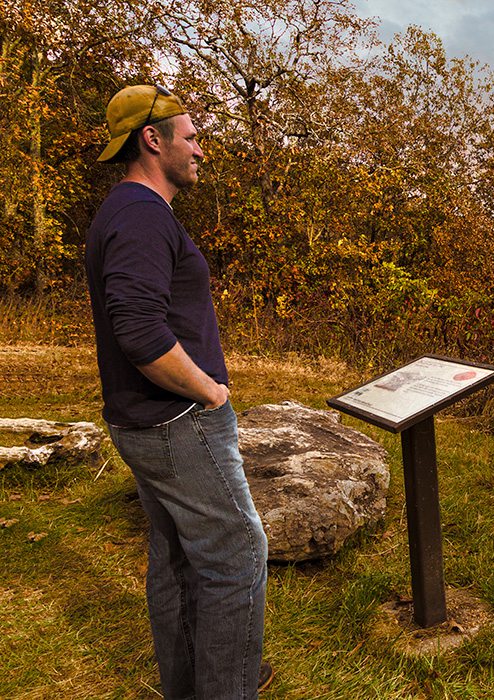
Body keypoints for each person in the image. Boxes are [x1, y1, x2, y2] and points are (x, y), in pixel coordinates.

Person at [85, 84, 272, 698]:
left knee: (177, 561)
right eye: (190, 137)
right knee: (237, 554)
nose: (200, 150)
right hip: (178, 421)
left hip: (145, 421)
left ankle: (192, 685)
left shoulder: (126, 210)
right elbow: (138, 329)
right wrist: (209, 392)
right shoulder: (140, 215)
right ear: (152, 139)